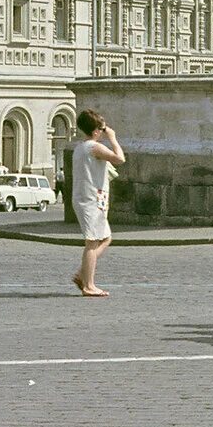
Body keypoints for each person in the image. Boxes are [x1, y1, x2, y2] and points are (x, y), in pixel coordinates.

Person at [70, 109, 125, 298]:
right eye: (102, 129)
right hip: (90, 200)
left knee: (105, 238)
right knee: (92, 242)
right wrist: (113, 138)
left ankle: (83, 274)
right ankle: (89, 285)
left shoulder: (81, 147)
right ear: (95, 131)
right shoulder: (94, 147)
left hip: (91, 198)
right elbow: (120, 159)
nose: (104, 131)